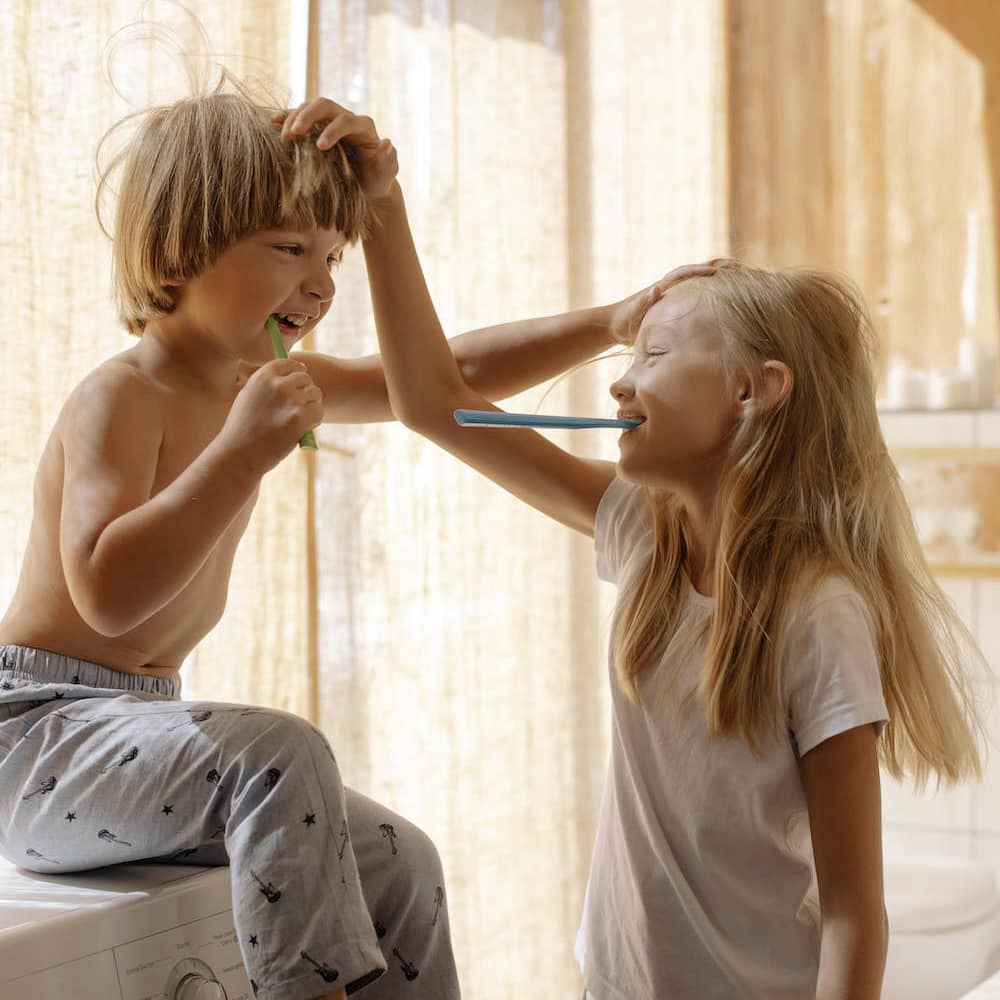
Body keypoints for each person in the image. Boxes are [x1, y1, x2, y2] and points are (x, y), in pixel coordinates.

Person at [295, 101, 990, 999]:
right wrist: (381, 204)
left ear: (751, 390)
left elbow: (857, 910)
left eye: (654, 354)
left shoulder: (819, 617)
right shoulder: (644, 535)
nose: (620, 379)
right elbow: (433, 405)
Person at [0, 75, 655, 1000]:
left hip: (141, 722)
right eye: (290, 248)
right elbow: (107, 596)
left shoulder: (257, 378)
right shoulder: (125, 392)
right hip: (39, 738)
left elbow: (443, 374)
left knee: (401, 861)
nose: (320, 283)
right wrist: (239, 455)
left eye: (334, 254)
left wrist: (610, 322)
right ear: (184, 247)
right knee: (281, 750)